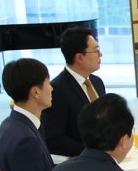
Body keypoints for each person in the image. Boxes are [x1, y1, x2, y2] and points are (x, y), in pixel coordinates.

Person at [0, 58, 55, 171]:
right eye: (48, 82)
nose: (52, 88)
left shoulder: (11, 123)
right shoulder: (26, 141)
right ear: (35, 91)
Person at [40, 27, 106, 157]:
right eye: (96, 51)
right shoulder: (56, 90)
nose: (101, 55)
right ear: (79, 57)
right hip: (82, 160)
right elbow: (53, 139)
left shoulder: (97, 82)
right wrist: (92, 153)